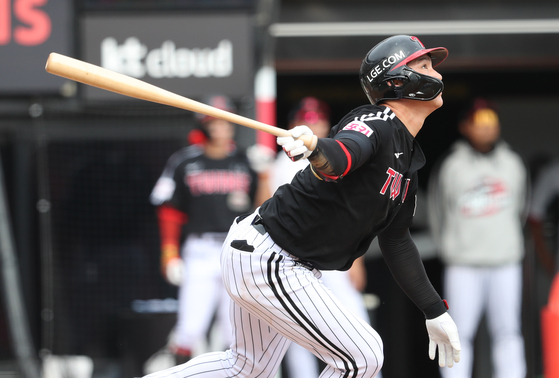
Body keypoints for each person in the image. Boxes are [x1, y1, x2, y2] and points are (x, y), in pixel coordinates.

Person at [144, 34, 461, 378]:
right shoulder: (376, 121)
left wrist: (434, 311)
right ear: (398, 81)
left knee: (247, 368)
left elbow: (397, 241)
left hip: (269, 255)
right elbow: (341, 156)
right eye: (425, 66)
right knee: (365, 354)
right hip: (271, 256)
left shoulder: (407, 161)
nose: (438, 75)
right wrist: (315, 147)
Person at [148, 95, 271, 368]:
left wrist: (264, 176)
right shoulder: (185, 161)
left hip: (238, 251)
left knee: (235, 334)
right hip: (200, 250)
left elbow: (263, 211)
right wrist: (169, 253)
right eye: (213, 121)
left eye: (225, 120)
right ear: (202, 124)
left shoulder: (247, 160)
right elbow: (169, 209)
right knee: (190, 328)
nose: (220, 126)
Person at [270, 96, 372, 378]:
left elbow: (352, 215)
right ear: (293, 124)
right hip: (294, 260)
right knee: (298, 333)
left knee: (358, 327)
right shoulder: (282, 162)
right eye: (306, 120)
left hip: (333, 258)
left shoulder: (340, 155)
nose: (313, 125)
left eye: (317, 120)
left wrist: (357, 262)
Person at [427, 98, 528, 378]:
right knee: (457, 333)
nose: (486, 129)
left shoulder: (512, 163)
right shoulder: (451, 165)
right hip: (463, 263)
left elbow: (521, 209)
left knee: (509, 331)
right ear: (465, 127)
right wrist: (451, 247)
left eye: (491, 122)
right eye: (479, 122)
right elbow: (438, 213)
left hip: (505, 261)